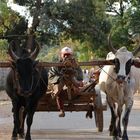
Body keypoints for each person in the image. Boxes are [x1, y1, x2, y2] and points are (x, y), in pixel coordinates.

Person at [48, 47, 83, 117]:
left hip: (73, 85)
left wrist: (74, 75)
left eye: (68, 55)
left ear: (71, 55)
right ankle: (61, 110)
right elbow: (51, 76)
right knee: (59, 91)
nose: (66, 57)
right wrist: (61, 78)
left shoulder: (76, 65)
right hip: (61, 84)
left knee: (75, 88)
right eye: (65, 55)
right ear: (61, 55)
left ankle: (71, 102)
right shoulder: (56, 65)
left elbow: (80, 76)